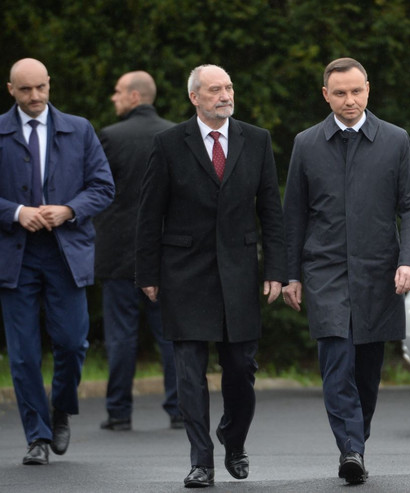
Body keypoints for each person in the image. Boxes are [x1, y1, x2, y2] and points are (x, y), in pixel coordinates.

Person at [135, 64, 286, 488]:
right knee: (188, 369)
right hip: (184, 272)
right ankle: (201, 460)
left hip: (238, 271)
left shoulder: (256, 140)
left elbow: (271, 212)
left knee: (240, 367)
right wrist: (146, 271)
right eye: (215, 89)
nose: (225, 95)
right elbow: (150, 215)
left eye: (229, 87)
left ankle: (233, 439)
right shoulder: (167, 144)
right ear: (194, 98)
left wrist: (276, 268)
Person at [282, 57, 410, 485]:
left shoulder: (396, 140)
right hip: (324, 270)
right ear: (326, 95)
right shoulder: (306, 144)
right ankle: (351, 449)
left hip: (378, 271)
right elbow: (294, 215)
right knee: (336, 359)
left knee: (366, 368)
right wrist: (292, 274)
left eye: (356, 91)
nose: (349, 100)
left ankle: (355, 443)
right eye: (340, 93)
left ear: (369, 89)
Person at [0, 58, 114, 465]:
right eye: (25, 90)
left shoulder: (79, 129)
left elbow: (103, 187)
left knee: (72, 341)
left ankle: (60, 408)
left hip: (66, 253)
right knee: (24, 353)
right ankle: (36, 436)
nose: (35, 97)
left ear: (50, 85)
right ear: (10, 89)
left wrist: (68, 209)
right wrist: (16, 212)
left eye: (41, 88)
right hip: (15, 255)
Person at [94, 71, 181, 431]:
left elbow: (95, 191)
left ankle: (118, 412)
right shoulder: (176, 135)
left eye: (116, 92)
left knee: (121, 335)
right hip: (166, 254)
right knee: (171, 335)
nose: (112, 98)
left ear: (133, 96)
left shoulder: (110, 138)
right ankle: (180, 410)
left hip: (118, 253)